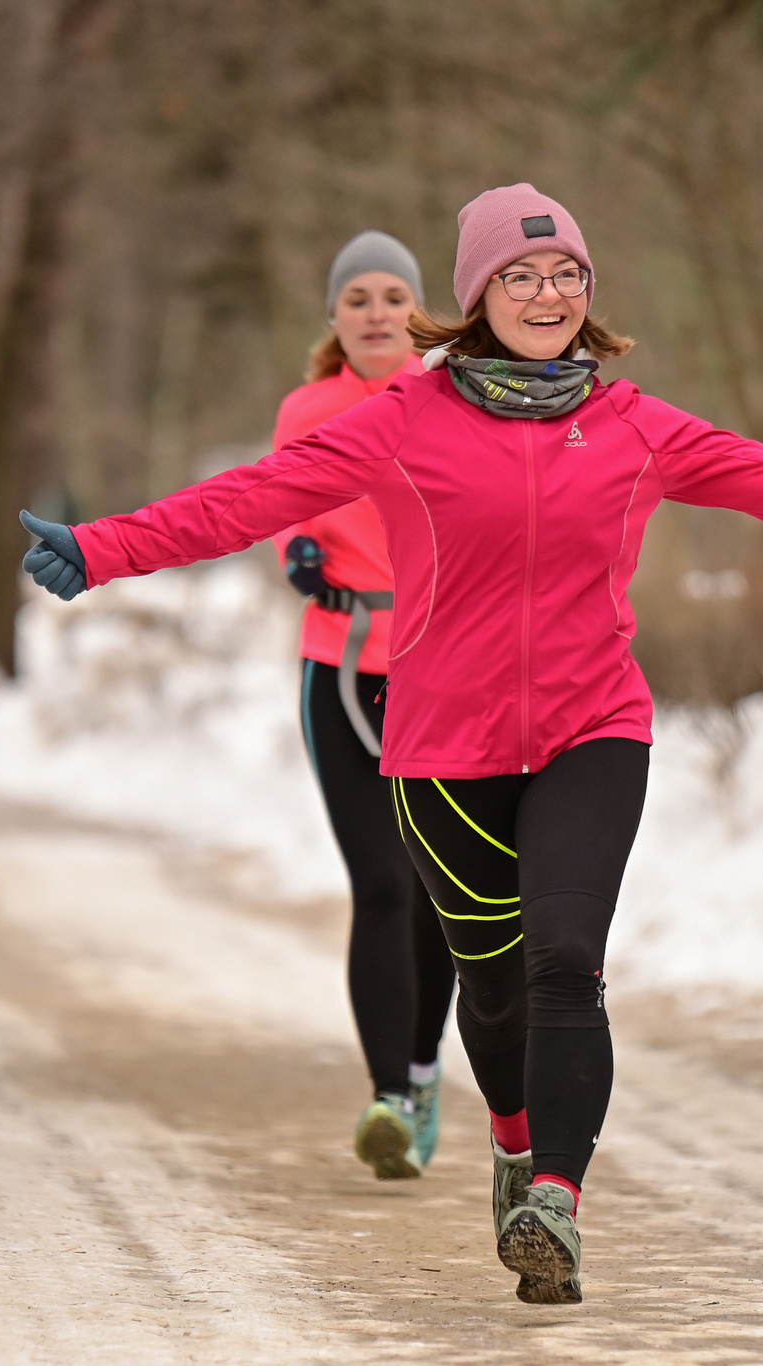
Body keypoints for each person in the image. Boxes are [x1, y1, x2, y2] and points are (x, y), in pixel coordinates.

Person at [18, 185, 763, 1305]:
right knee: (488, 991)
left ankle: (557, 1199)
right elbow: (256, 497)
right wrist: (100, 551)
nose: (547, 295)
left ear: (588, 294)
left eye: (566, 277)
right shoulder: (405, 415)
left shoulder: (636, 425)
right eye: (520, 277)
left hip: (592, 727)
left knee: (564, 961)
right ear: (476, 295)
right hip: (443, 745)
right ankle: (508, 1135)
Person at [276, 231, 457, 1182]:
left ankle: (425, 1073)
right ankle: (388, 1100)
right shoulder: (306, 408)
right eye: (359, 299)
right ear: (335, 317)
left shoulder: (451, 400)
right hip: (338, 666)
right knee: (381, 885)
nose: (378, 312)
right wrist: (296, 552)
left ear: (418, 310)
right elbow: (278, 503)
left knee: (437, 890)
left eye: (394, 296)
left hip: (440, 669)